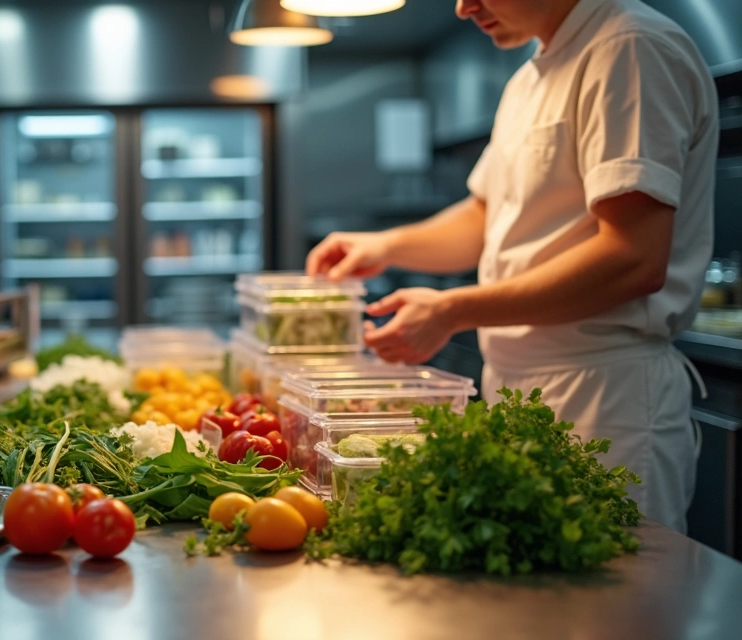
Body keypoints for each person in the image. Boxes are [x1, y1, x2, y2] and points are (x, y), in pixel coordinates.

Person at [306, 0, 718, 532]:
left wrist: (453, 309)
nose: (462, 7)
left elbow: (633, 257)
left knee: (615, 604)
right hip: (524, 392)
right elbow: (487, 215)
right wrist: (384, 246)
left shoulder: (628, 47)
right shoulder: (530, 76)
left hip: (604, 398)